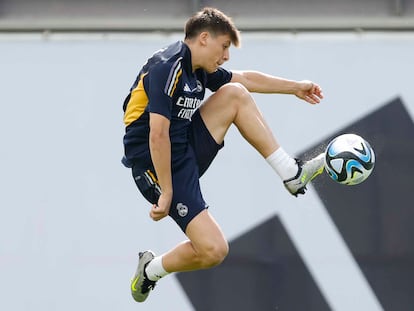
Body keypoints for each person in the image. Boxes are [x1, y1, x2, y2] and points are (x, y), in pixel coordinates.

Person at [122, 7, 325, 303]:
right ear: (204, 38)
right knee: (214, 250)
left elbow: (245, 79)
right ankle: (150, 270)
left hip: (184, 147)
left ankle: (291, 174)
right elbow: (157, 135)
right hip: (156, 165)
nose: (227, 55)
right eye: (225, 46)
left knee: (236, 93)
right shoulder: (167, 65)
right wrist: (166, 192)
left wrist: (295, 87)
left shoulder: (198, 67)